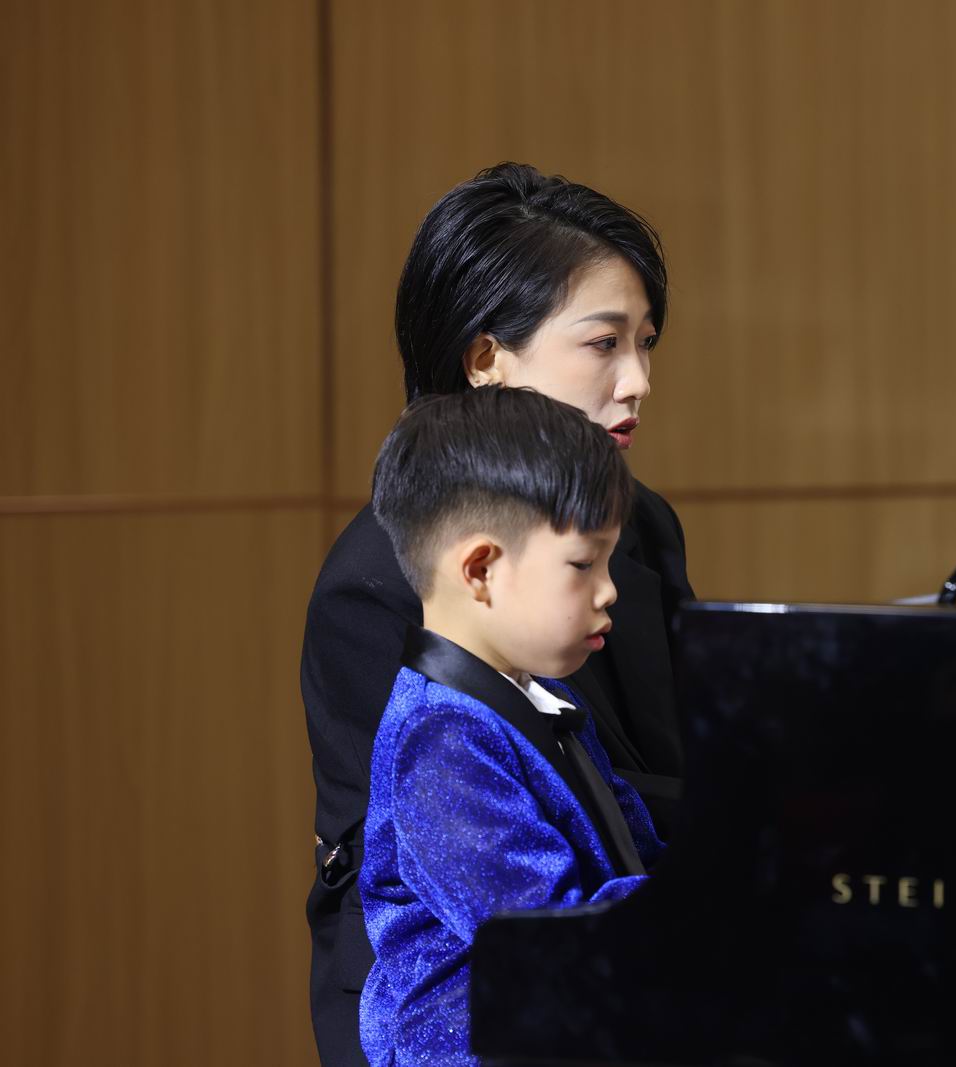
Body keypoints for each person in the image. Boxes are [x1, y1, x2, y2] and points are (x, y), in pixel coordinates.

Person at [302, 164, 693, 1065]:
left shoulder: (644, 520)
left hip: (610, 960)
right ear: (486, 360)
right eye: (604, 343)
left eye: (647, 342)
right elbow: (480, 880)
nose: (638, 380)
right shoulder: (378, 580)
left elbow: (662, 772)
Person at [359, 385, 662, 1066]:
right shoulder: (440, 738)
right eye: (584, 564)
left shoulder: (539, 696)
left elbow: (636, 852)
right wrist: (729, 898)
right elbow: (545, 933)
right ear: (481, 569)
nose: (610, 589)